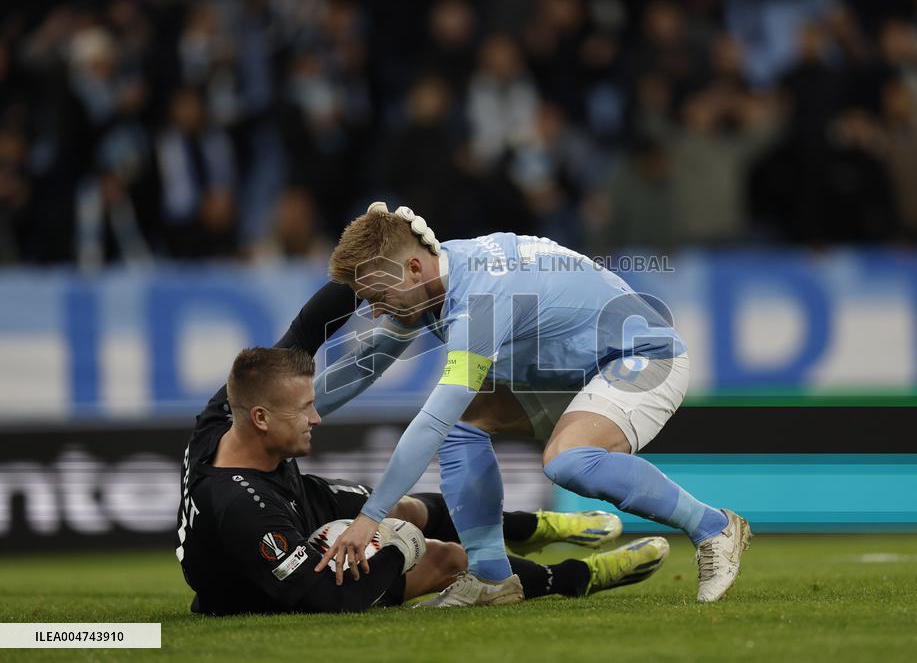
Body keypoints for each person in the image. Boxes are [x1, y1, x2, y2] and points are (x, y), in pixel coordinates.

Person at [314, 202, 751, 606]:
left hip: (644, 359)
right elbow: (360, 368)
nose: (373, 312)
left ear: (412, 268)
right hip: (576, 374)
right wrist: (282, 416)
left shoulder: (479, 299)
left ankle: (714, 526)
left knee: (566, 460)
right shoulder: (434, 278)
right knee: (464, 425)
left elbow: (432, 420)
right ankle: (490, 576)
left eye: (376, 298)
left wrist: (370, 517)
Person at [176, 316, 670, 614]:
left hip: (295, 498)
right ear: (260, 419)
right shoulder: (245, 511)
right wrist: (400, 550)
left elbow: (304, 329)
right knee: (447, 557)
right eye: (303, 410)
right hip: (262, 591)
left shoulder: (218, 423)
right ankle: (579, 577)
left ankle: (536, 525)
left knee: (407, 505)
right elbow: (331, 602)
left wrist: (359, 271)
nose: (317, 417)